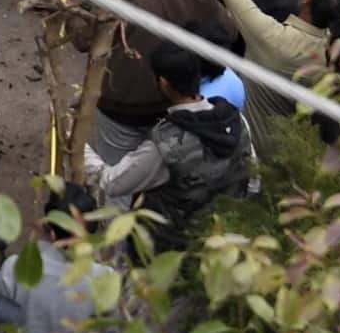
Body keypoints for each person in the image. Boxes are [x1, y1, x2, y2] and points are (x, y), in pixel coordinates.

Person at [97, 43, 253, 225]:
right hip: (221, 231)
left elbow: (114, 182)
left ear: (163, 83)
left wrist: (85, 154)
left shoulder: (166, 145)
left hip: (172, 239)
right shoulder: (236, 121)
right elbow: (252, 178)